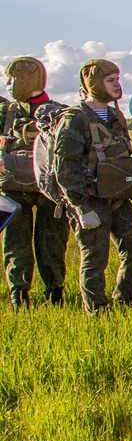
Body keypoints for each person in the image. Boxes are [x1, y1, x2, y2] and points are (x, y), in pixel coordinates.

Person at [53, 59, 132, 313]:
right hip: (90, 199)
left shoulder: (117, 116)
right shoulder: (75, 119)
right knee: (94, 260)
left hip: (119, 198)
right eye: (110, 80)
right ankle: (97, 312)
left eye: (118, 79)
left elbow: (125, 157)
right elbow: (65, 166)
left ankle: (124, 302)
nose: (118, 85)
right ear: (94, 84)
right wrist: (81, 207)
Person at [1, 57, 70, 307]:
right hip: (11, 188)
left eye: (11, 79)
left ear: (25, 78)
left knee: (52, 243)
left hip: (50, 189)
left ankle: (55, 292)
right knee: (15, 245)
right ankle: (18, 295)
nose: (8, 84)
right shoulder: (5, 111)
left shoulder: (60, 111)